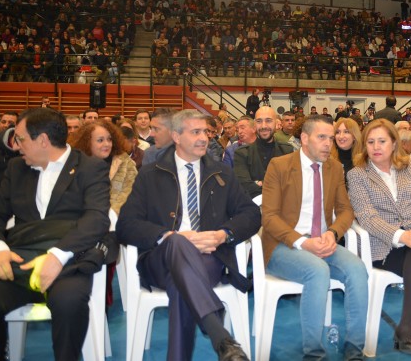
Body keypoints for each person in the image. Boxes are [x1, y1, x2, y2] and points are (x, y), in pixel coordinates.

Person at [116, 110, 260, 361]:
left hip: (209, 258)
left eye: (206, 131)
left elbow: (251, 215)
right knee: (177, 243)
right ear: (176, 136)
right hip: (159, 259)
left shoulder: (221, 173)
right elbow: (126, 225)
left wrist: (222, 235)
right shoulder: (150, 175)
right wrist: (167, 236)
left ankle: (219, 338)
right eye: (196, 132)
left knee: (180, 284)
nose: (204, 138)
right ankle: (220, 335)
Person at [0, 108, 111, 361]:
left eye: (20, 138)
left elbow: (96, 219)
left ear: (43, 140)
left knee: (69, 303)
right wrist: (0, 250)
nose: (16, 145)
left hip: (68, 261)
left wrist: (57, 256)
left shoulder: (90, 168)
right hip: (19, 262)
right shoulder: (16, 168)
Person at [261, 114, 368, 360]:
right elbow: (269, 217)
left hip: (322, 240)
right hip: (283, 245)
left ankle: (355, 348)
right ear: (305, 138)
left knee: (357, 270)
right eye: (322, 137)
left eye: (330, 138)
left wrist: (333, 233)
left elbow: (345, 210)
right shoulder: (279, 165)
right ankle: (314, 353)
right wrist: (303, 242)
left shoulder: (335, 168)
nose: (328, 144)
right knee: (317, 271)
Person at [347, 119, 411, 356]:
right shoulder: (357, 175)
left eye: (382, 141)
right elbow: (367, 218)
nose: (376, 147)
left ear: (393, 143)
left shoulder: (410, 167)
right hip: (382, 246)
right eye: (370, 142)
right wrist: (403, 236)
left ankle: (407, 327)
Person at [69, 119, 138, 306]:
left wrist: (108, 215)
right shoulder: (74, 164)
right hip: (82, 222)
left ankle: (101, 300)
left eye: (109, 139)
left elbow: (128, 194)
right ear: (87, 142)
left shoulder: (125, 163)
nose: (107, 144)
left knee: (103, 239)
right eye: (100, 140)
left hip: (114, 221)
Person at [233, 106, 293, 198]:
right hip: (253, 209)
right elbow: (244, 187)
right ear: (254, 125)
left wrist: (259, 183)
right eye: (259, 121)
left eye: (268, 120)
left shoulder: (287, 151)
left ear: (276, 124)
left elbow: (290, 185)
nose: (263, 126)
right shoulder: (242, 154)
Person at [330, 117, 362, 182]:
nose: (341, 136)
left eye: (346, 132)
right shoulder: (328, 158)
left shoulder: (364, 160)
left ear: (354, 136)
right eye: (338, 132)